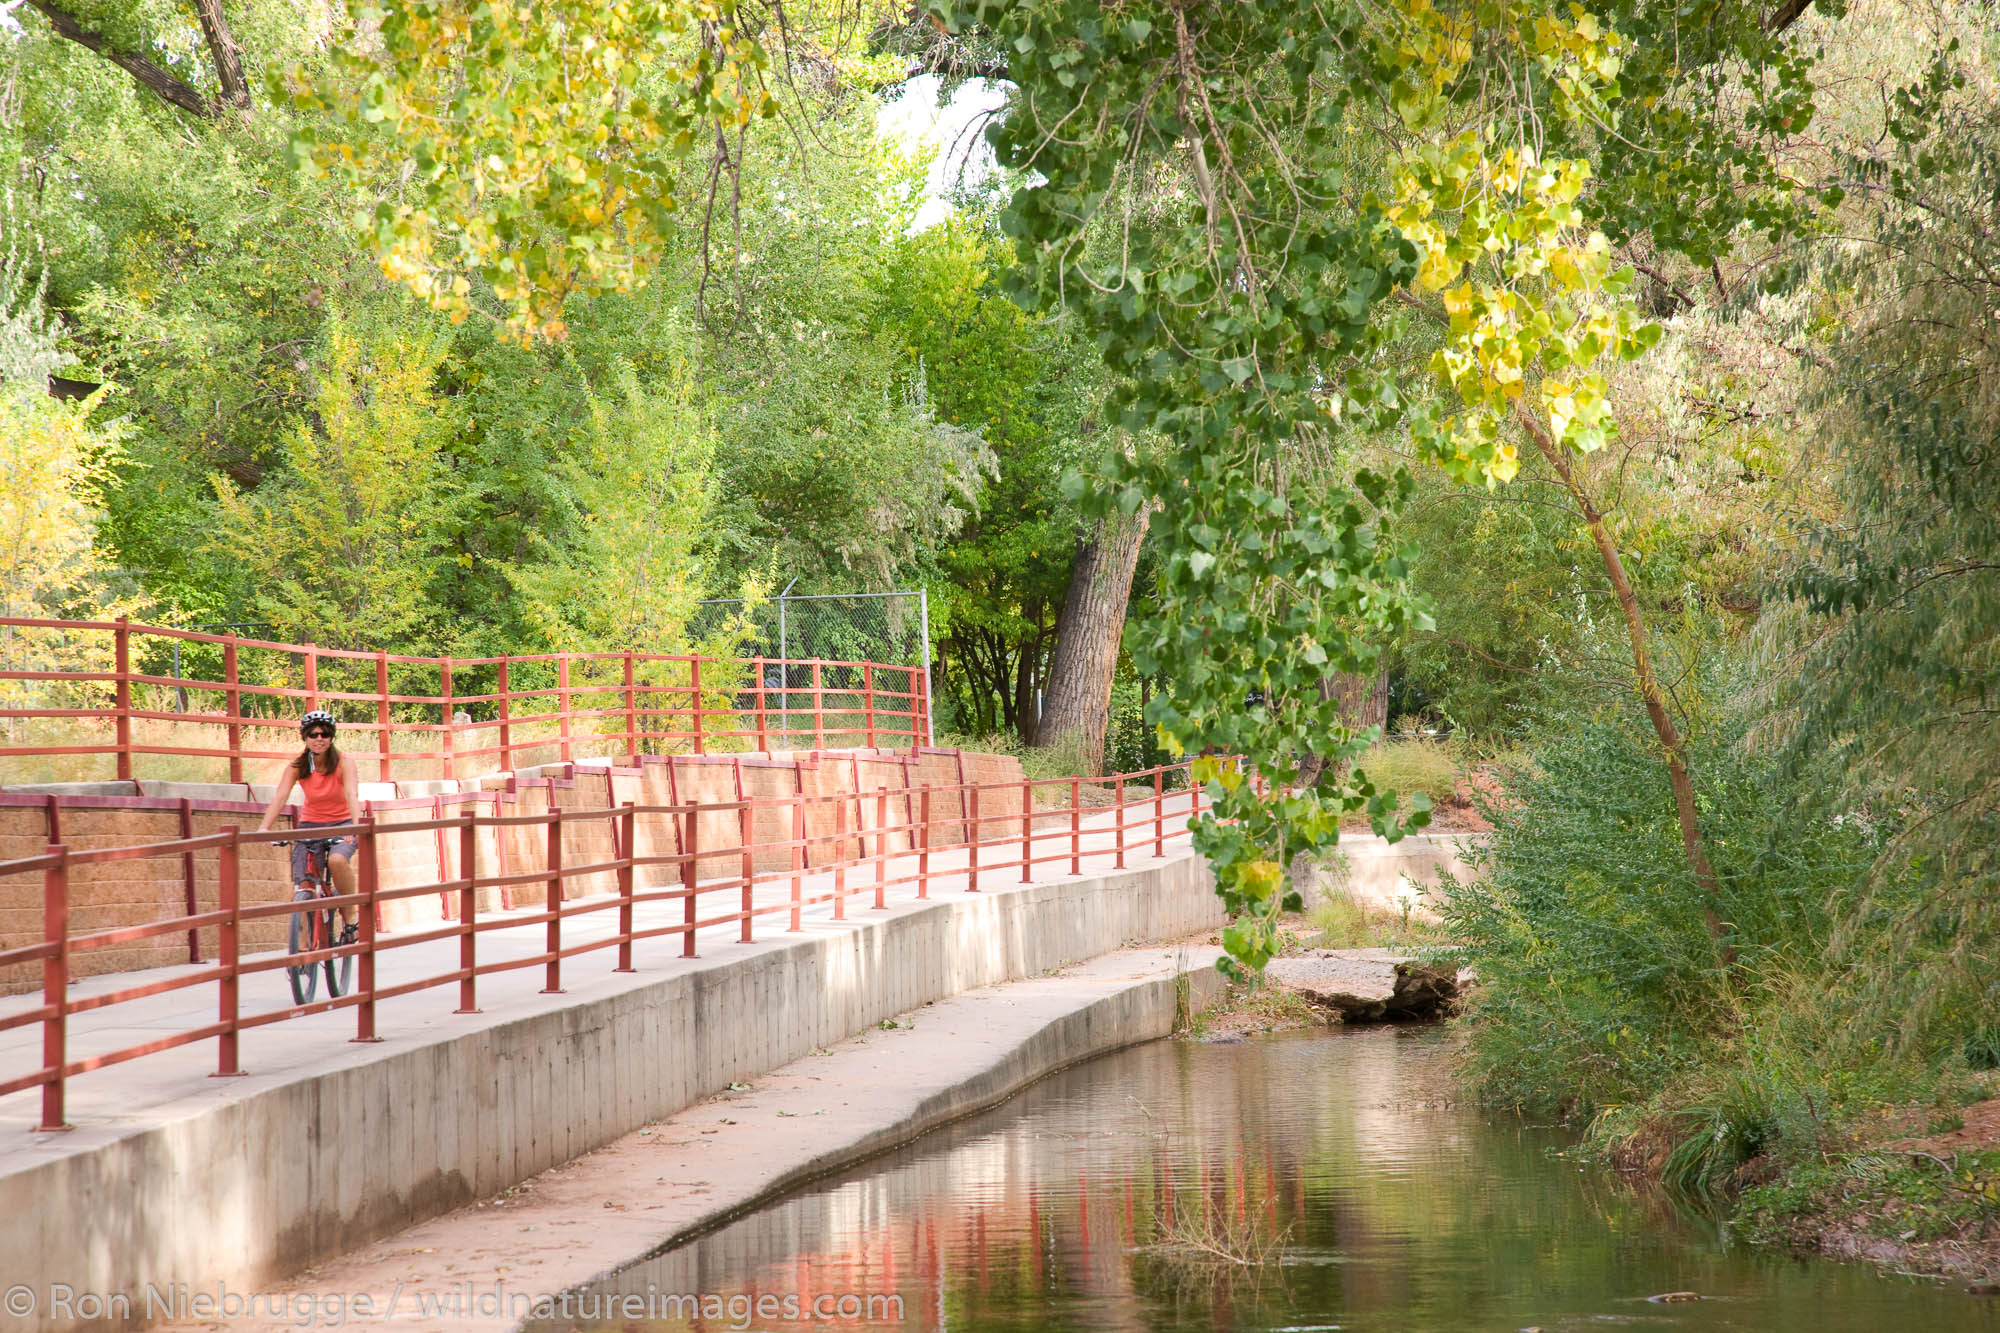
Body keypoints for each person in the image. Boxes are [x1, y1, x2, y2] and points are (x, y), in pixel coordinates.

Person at [256, 709, 361, 944]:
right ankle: (303, 946)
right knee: (304, 883)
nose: (319, 739)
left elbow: (352, 795)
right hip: (311, 824)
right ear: (305, 738)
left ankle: (351, 917)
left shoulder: (344, 763)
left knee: (336, 861)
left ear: (331, 737)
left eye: (324, 734)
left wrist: (355, 829)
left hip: (341, 823)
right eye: (313, 734)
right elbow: (281, 796)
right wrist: (264, 828)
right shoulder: (298, 765)